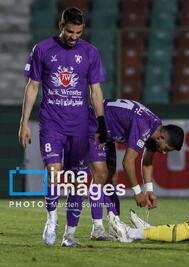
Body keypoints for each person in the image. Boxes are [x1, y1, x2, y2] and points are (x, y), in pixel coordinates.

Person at [18, 7, 107, 247]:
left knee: (79, 180)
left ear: (82, 30)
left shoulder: (91, 53)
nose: (73, 37)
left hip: (79, 126)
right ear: (61, 25)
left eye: (78, 32)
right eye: (69, 31)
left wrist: (101, 123)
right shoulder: (43, 49)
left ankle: (69, 235)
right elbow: (33, 87)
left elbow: (96, 91)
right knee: (53, 172)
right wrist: (24, 122)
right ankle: (51, 219)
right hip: (52, 122)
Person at [87, 99, 184, 240]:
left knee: (112, 178)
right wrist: (138, 192)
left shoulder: (155, 128)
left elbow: (147, 162)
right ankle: (97, 228)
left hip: (108, 132)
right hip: (94, 124)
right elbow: (127, 162)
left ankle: (114, 224)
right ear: (161, 137)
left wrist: (149, 190)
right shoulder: (144, 126)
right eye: (166, 149)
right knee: (101, 175)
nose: (164, 153)